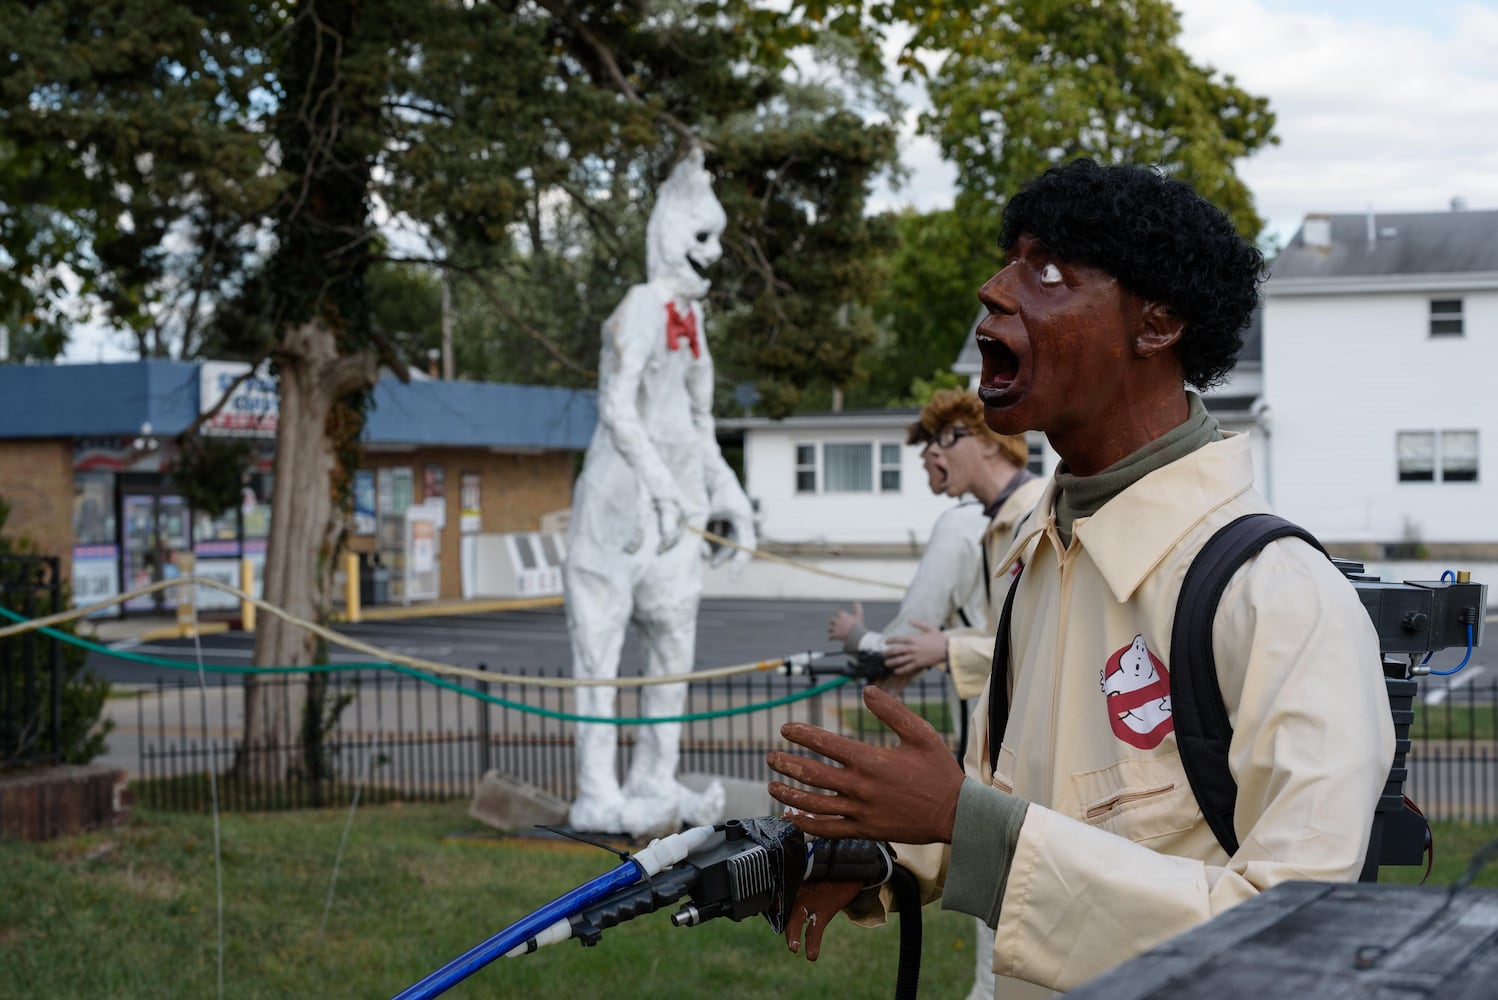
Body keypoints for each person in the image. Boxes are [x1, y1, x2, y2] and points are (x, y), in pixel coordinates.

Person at [765, 158, 1395, 997]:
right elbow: (1018, 801)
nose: (994, 290)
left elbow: (1295, 932)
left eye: (1048, 271)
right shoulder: (1042, 554)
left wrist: (964, 822)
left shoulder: (1275, 593)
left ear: (1157, 324)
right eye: (1009, 261)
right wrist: (882, 853)